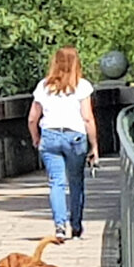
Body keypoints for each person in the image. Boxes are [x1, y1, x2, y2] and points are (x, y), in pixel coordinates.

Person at [28, 46, 99, 241]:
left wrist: (36, 137)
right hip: (75, 137)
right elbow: (87, 118)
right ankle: (76, 226)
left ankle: (60, 226)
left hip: (50, 136)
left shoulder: (43, 86)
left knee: (56, 183)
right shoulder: (82, 86)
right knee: (76, 182)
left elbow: (33, 118)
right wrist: (94, 146)